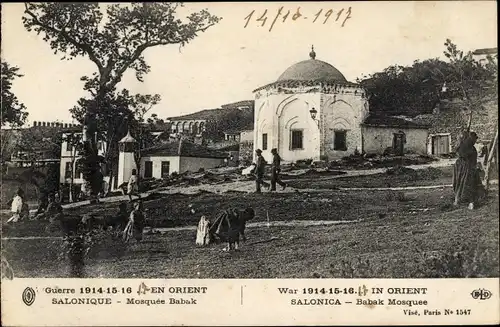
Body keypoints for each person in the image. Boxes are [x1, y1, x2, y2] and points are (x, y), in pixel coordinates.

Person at [453, 132, 480, 209]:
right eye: (474, 139)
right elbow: (462, 155)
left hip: (464, 167)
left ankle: (460, 200)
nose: (475, 141)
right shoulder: (465, 146)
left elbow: (473, 159)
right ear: (471, 138)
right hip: (464, 167)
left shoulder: (470, 147)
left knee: (463, 184)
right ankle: (466, 201)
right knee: (464, 183)